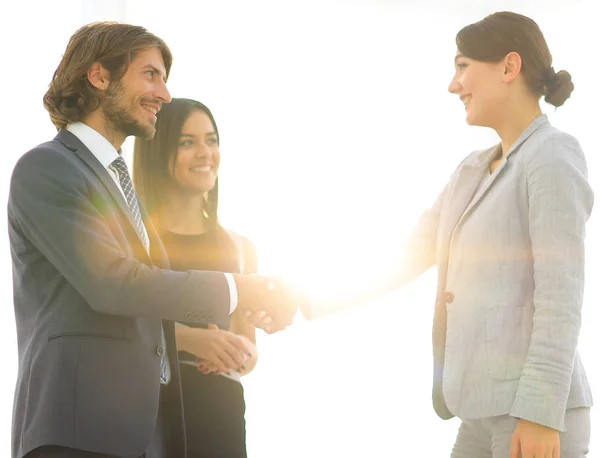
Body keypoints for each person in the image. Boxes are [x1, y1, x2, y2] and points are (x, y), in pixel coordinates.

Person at [306, 11, 593, 458]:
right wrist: (304, 299)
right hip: (477, 412)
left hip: (530, 414)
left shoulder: (553, 154)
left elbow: (562, 296)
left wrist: (540, 412)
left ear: (509, 67)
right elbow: (408, 255)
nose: (453, 84)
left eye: (462, 67)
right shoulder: (471, 170)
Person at [9, 22, 300, 458]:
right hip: (76, 434)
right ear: (99, 76)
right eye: (150, 75)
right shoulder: (47, 168)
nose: (163, 94)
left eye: (164, 79)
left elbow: (149, 305)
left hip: (144, 439)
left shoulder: (123, 193)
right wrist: (239, 289)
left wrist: (248, 304)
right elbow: (114, 283)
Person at [132, 98, 257, 458]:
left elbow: (248, 351)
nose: (205, 152)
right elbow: (116, 326)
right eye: (187, 142)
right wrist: (188, 340)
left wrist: (236, 353)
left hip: (223, 420)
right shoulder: (136, 242)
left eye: (211, 140)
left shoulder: (240, 248)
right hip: (155, 416)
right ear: (159, 150)